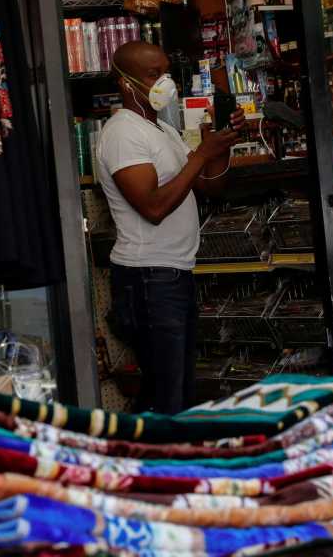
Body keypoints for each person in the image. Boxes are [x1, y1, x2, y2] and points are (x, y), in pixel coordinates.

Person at [98, 41, 245, 414]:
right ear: (125, 84)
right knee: (167, 396)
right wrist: (199, 155)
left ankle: (163, 462)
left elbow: (209, 187)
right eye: (152, 75)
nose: (165, 82)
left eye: (166, 72)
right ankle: (156, 467)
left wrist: (221, 145)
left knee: (177, 389)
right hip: (148, 276)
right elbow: (153, 207)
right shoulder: (122, 132)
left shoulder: (163, 129)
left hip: (173, 273)